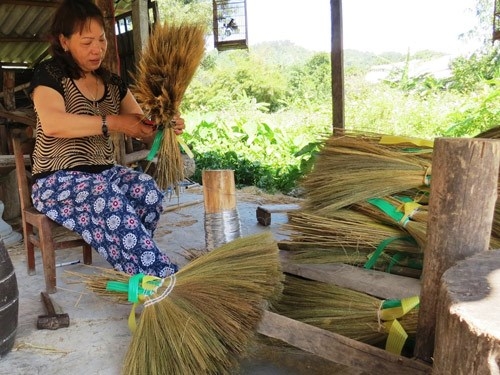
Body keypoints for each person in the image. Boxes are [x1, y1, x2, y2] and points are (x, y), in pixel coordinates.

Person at [28, 0, 183, 278]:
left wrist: (164, 129)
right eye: (87, 42)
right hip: (56, 181)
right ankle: (158, 277)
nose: (97, 49)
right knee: (106, 195)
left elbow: (143, 129)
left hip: (105, 174)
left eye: (101, 40)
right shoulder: (49, 74)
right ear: (64, 41)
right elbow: (53, 124)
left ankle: (134, 266)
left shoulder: (113, 83)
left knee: (146, 190)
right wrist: (112, 122)